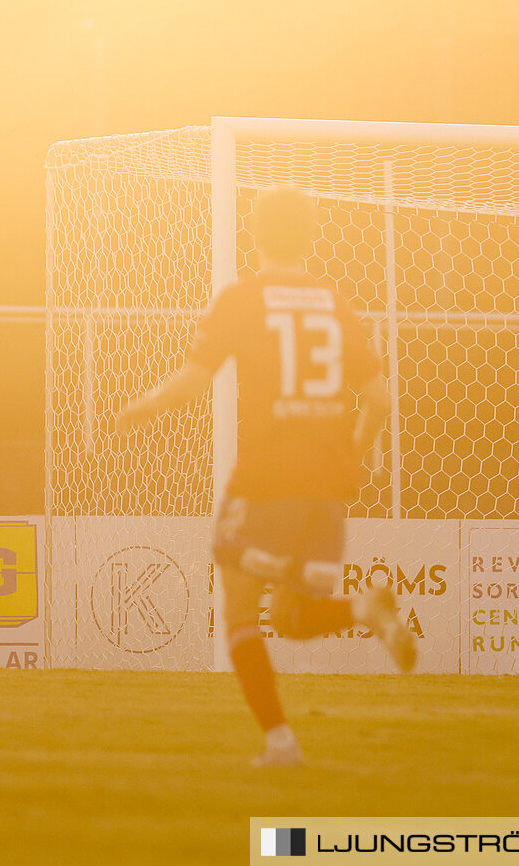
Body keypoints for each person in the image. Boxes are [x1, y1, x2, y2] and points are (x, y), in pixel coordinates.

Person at [118, 186, 414, 768]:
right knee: (291, 617)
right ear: (309, 238)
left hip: (267, 480)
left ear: (256, 234)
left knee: (238, 611)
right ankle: (364, 611)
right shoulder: (334, 303)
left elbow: (194, 382)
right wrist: (350, 456)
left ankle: (280, 744)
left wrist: (143, 407)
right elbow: (380, 398)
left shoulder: (242, 299)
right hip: (327, 487)